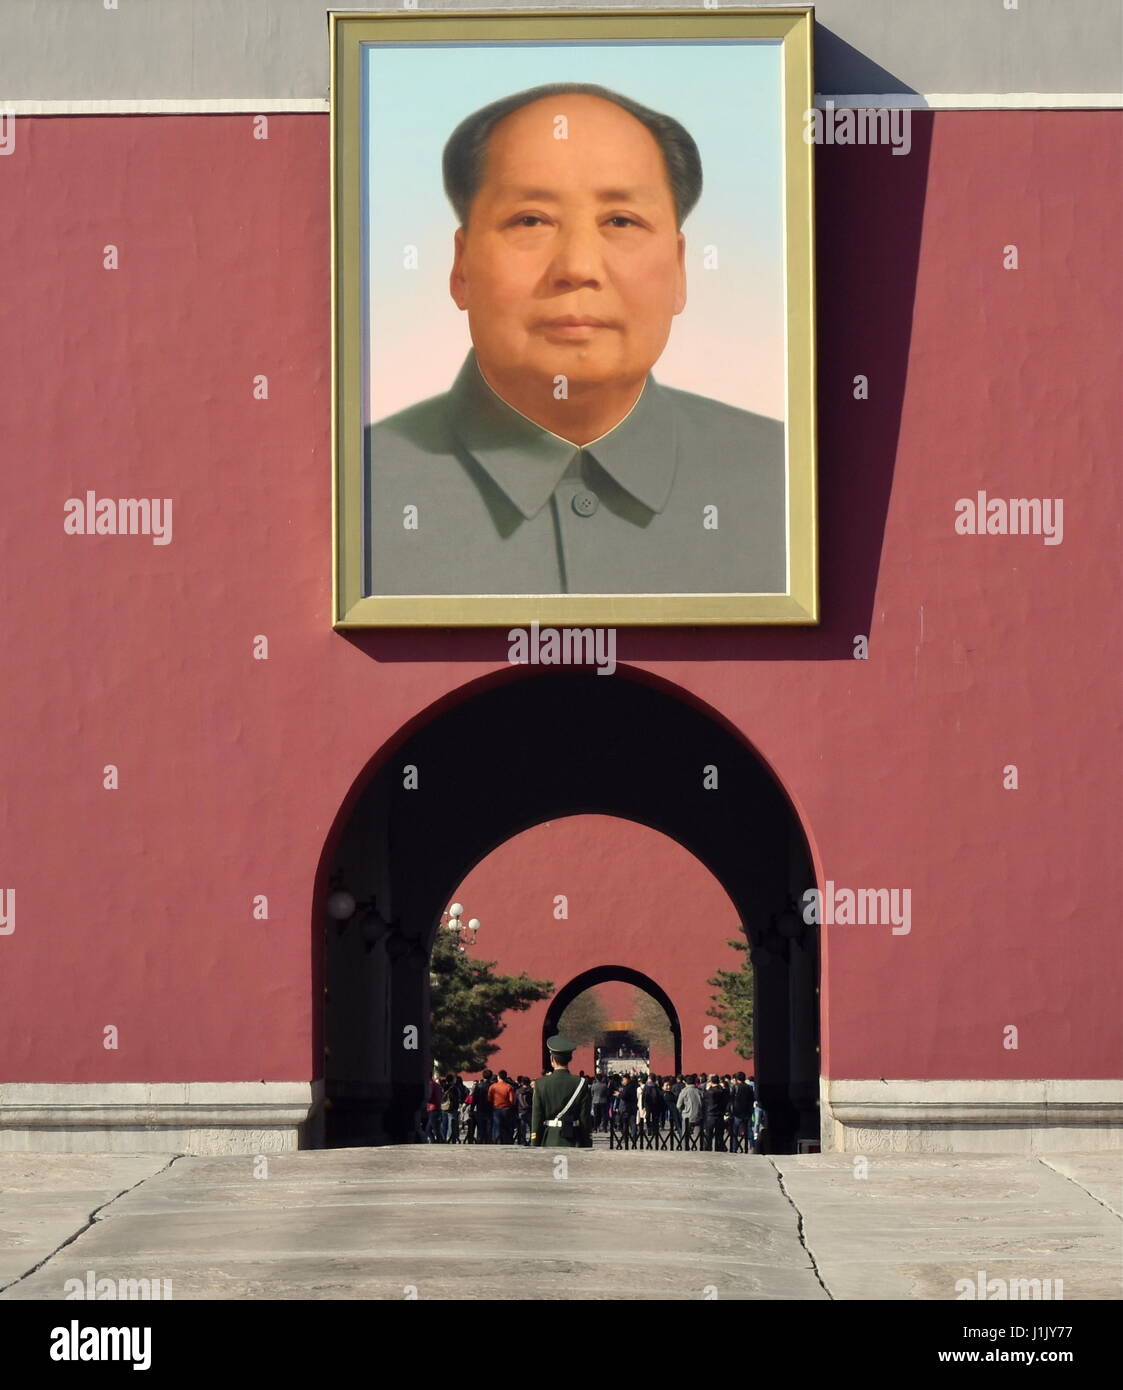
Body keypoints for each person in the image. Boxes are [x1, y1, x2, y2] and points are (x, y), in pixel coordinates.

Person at [366, 83, 786, 599]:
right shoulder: (355, 492)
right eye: (530, 220)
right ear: (461, 267)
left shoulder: (789, 484)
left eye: (620, 221)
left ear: (678, 271)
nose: (578, 269)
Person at [531, 1034, 593, 1148]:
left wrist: (535, 1143)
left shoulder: (540, 1084)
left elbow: (537, 1118)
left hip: (549, 1139)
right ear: (570, 1058)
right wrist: (587, 1141)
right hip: (574, 1139)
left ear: (552, 1059)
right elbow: (584, 1117)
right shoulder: (580, 1083)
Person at [489, 1068, 518, 1144]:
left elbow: (489, 1099)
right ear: (506, 1077)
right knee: (506, 1126)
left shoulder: (493, 1087)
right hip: (506, 1109)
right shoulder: (509, 1087)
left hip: (496, 1108)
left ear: (498, 1077)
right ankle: (507, 1140)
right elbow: (512, 1100)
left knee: (496, 1126)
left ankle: (496, 1140)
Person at [728, 1071, 755, 1152]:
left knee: (735, 1132)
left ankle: (734, 1148)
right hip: (747, 1112)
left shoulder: (735, 1087)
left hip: (737, 1113)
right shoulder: (749, 1087)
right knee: (749, 1131)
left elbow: (731, 1099)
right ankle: (752, 1147)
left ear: (736, 1079)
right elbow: (752, 1099)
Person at [702, 1073, 729, 1151]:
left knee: (708, 1135)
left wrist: (707, 1090)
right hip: (720, 1115)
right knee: (719, 1135)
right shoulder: (723, 1091)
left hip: (710, 1115)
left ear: (711, 1081)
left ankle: (708, 1148)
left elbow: (704, 1101)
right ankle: (719, 1148)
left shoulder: (709, 1092)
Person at [677, 1073, 703, 1144]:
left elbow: (678, 1105)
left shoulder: (684, 1091)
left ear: (685, 1082)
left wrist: (682, 1111)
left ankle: (685, 1148)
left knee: (685, 1137)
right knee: (699, 1137)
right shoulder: (699, 1091)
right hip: (698, 1116)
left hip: (687, 1116)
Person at [469, 1070, 494, 1144]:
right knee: (489, 1127)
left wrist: (471, 1109)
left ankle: (480, 1140)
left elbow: (474, 1099)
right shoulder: (492, 1086)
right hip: (490, 1109)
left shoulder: (478, 1086)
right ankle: (488, 1141)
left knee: (480, 1127)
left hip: (480, 1109)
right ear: (491, 1076)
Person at [641, 1073, 663, 1139]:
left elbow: (643, 1096)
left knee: (648, 1116)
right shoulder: (655, 1086)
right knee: (653, 1116)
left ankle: (650, 1128)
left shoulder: (648, 1086)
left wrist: (642, 1105)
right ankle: (652, 1129)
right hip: (653, 1103)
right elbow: (659, 1095)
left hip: (648, 1103)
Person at [515, 1075, 535, 1145]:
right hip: (530, 1110)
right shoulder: (532, 1091)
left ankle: (523, 1140)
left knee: (522, 1127)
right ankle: (531, 1140)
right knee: (531, 1127)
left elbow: (515, 1102)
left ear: (522, 1083)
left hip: (521, 1111)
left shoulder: (518, 1091)